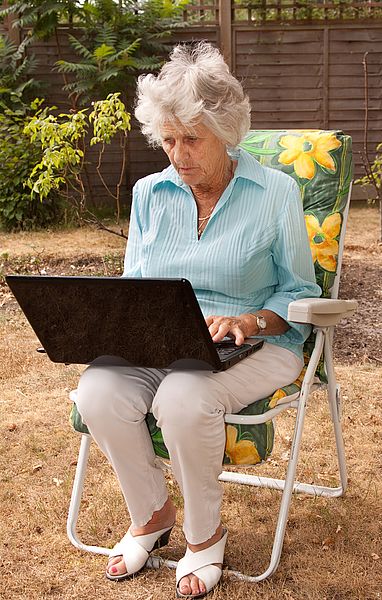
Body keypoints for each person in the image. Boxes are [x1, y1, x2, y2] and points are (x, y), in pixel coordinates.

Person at [75, 41, 321, 599]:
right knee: (96, 391)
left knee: (183, 398)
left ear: (226, 132)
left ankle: (204, 536)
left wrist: (252, 321)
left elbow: (299, 291)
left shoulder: (275, 192)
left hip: (259, 344)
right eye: (168, 140)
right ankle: (152, 514)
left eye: (192, 139)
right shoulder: (148, 194)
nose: (178, 154)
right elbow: (134, 284)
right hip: (160, 342)